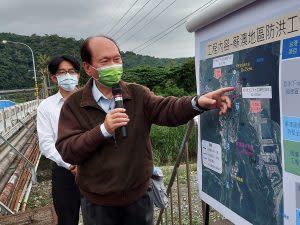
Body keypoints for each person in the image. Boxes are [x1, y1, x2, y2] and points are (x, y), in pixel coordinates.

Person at [55, 36, 234, 225]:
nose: (113, 65)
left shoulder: (137, 94)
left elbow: (168, 109)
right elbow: (68, 150)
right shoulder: (74, 105)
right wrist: (103, 130)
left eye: (117, 59)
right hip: (98, 204)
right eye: (105, 61)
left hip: (138, 198)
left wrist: (197, 102)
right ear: (88, 67)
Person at [36, 55, 81, 225]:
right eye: (62, 73)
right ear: (54, 78)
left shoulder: (91, 101)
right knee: (67, 217)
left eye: (72, 71)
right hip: (65, 170)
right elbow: (46, 143)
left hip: (94, 167)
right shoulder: (46, 106)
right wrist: (69, 164)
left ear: (78, 75)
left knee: (100, 214)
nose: (68, 76)